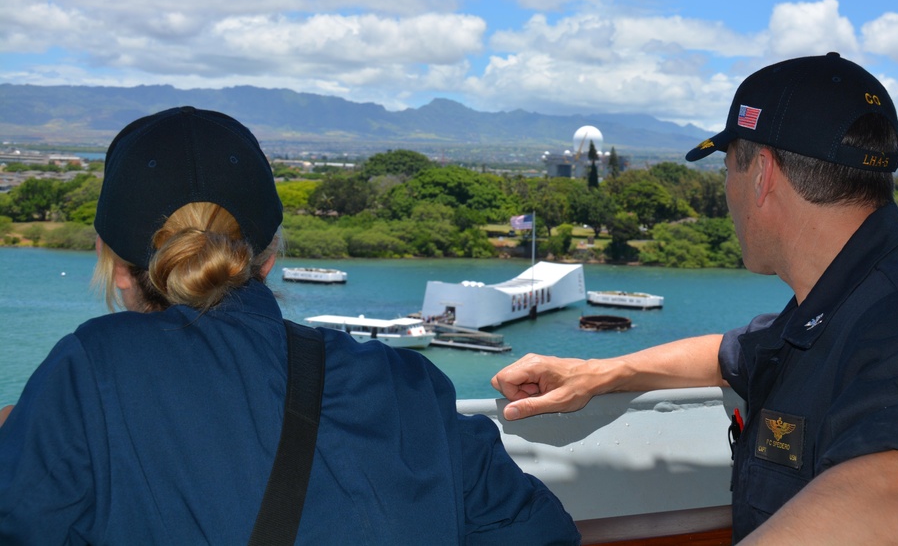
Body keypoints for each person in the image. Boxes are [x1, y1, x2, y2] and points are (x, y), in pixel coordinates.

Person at [0, 106, 580, 545]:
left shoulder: (86, 376)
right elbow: (539, 531)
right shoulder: (411, 386)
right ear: (270, 255)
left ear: (114, 264)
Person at [492, 53, 898, 545]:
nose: (727, 191)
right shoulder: (847, 299)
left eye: (726, 170)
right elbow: (728, 353)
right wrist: (599, 373)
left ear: (762, 174)